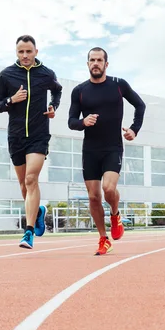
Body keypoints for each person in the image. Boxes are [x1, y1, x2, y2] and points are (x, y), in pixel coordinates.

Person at [68, 47, 146, 256]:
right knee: (94, 197)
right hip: (90, 150)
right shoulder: (79, 91)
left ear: (106, 64)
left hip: (113, 147)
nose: (95, 63)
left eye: (99, 60)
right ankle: (103, 238)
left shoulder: (118, 85)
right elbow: (71, 122)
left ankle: (115, 214)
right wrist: (83, 122)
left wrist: (134, 130)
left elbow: (140, 105)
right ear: (87, 64)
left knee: (108, 190)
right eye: (92, 60)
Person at [0, 35, 63, 249]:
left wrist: (53, 106)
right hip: (15, 136)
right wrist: (11, 100)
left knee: (32, 180)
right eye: (21, 52)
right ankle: (38, 211)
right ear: (16, 52)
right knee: (24, 186)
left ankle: (28, 232)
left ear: (36, 52)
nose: (25, 55)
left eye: (28, 51)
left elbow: (57, 90)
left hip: (39, 135)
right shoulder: (7, 75)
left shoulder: (46, 74)